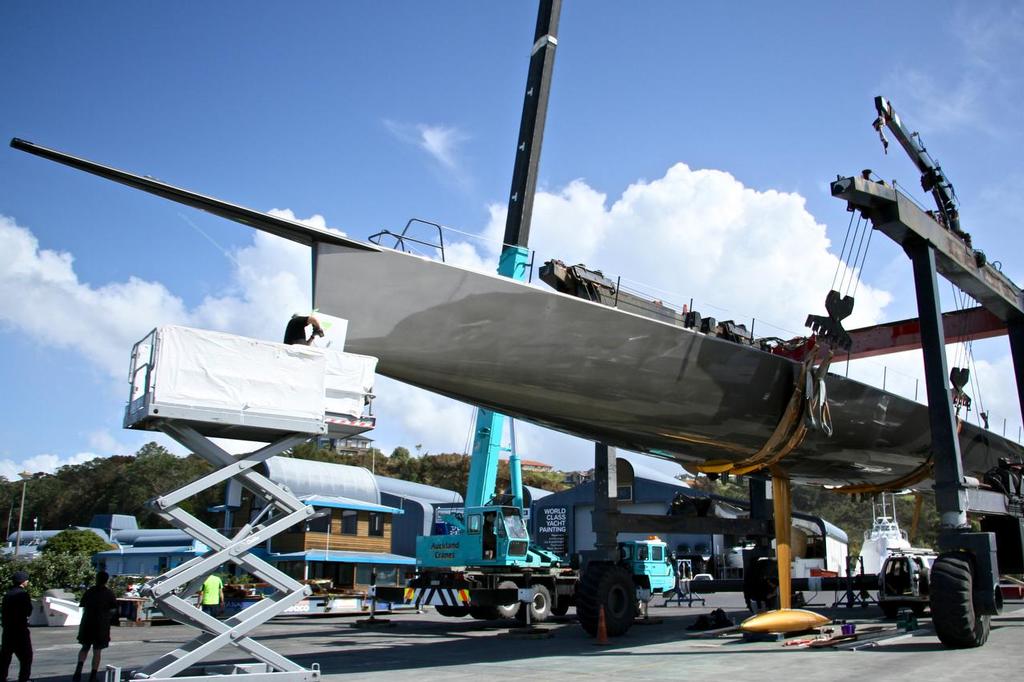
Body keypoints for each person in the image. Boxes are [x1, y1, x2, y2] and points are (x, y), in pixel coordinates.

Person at [74, 571, 119, 682]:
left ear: (96, 579)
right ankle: (93, 675)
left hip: (87, 623)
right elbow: (113, 609)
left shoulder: (89, 592)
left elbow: (83, 606)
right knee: (97, 651)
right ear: (106, 580)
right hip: (101, 625)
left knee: (84, 647)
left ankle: (78, 671)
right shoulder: (109, 593)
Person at [0, 570, 33, 682]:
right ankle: (24, 678)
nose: (27, 581)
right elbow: (28, 611)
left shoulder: (8, 594)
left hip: (8, 629)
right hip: (20, 629)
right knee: (26, 657)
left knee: (5, 657)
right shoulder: (23, 594)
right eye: (26, 580)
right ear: (23, 581)